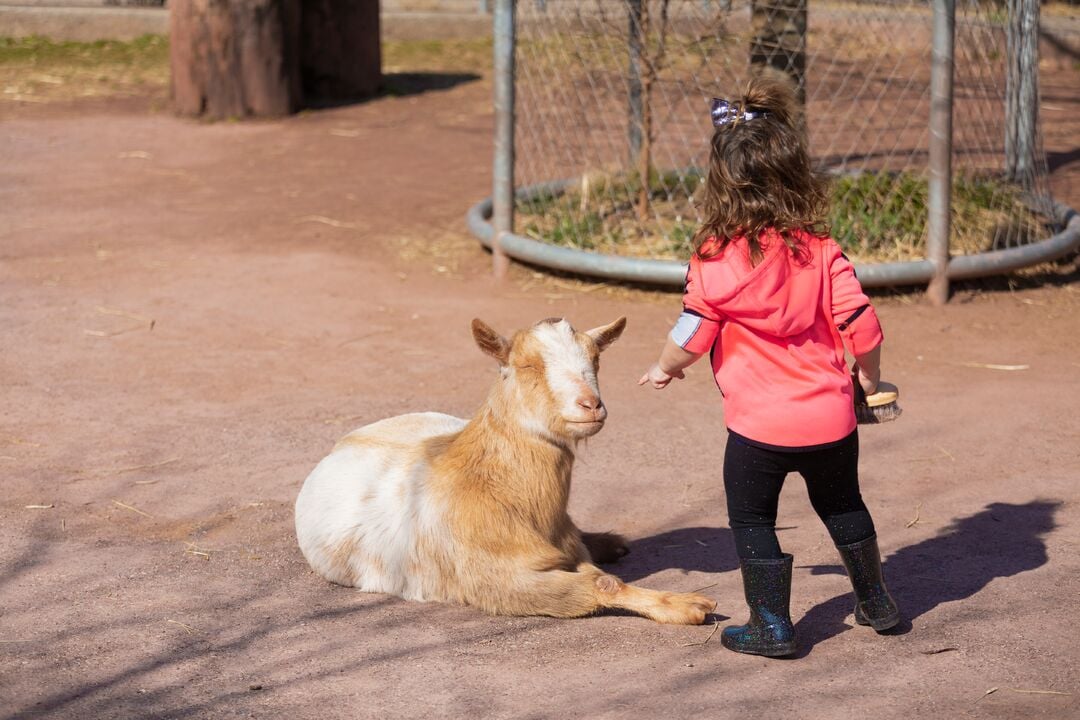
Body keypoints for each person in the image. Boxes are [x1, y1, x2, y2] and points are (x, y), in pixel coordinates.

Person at [638, 72, 900, 657]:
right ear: (797, 176)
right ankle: (877, 602)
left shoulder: (710, 260)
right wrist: (869, 378)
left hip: (757, 430)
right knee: (844, 505)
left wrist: (666, 367)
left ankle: (772, 626)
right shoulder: (824, 251)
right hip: (831, 423)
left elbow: (693, 330)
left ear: (720, 183)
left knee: (753, 518)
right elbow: (863, 322)